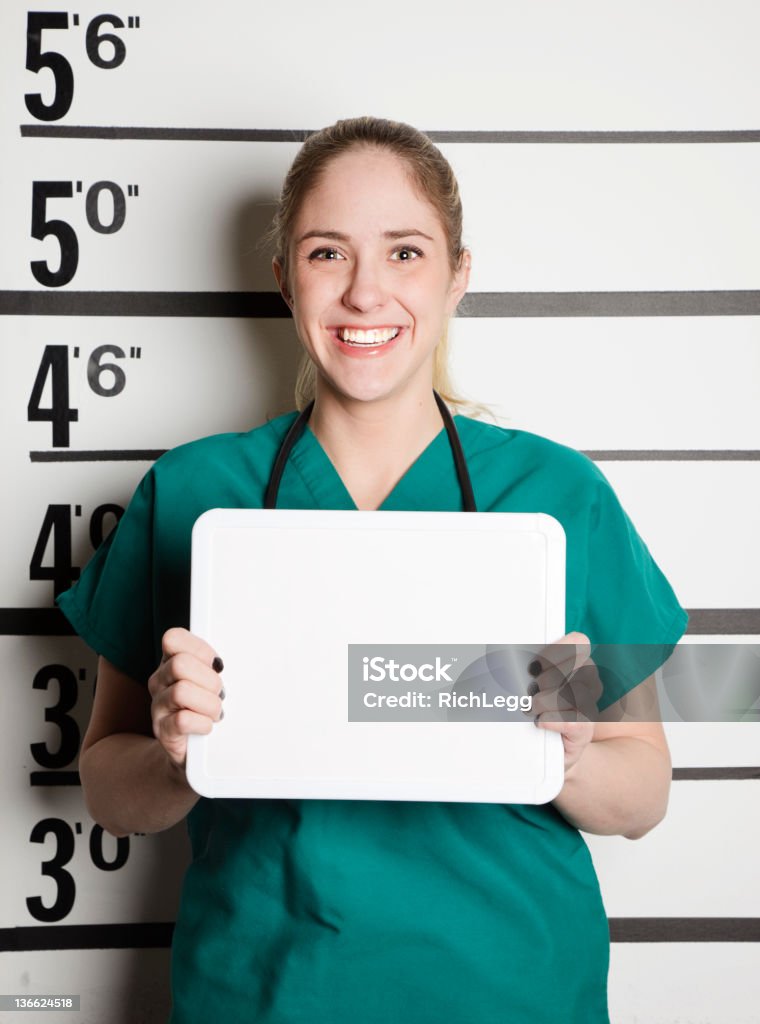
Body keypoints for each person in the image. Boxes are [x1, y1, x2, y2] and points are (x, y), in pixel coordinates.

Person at [57, 116, 688, 1023]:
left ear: (457, 273)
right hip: (267, 991)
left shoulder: (555, 493)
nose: (365, 293)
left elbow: (645, 792)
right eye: (326, 253)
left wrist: (570, 753)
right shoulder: (194, 492)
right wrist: (174, 753)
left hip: (513, 990)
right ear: (284, 278)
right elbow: (110, 789)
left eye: (404, 252)